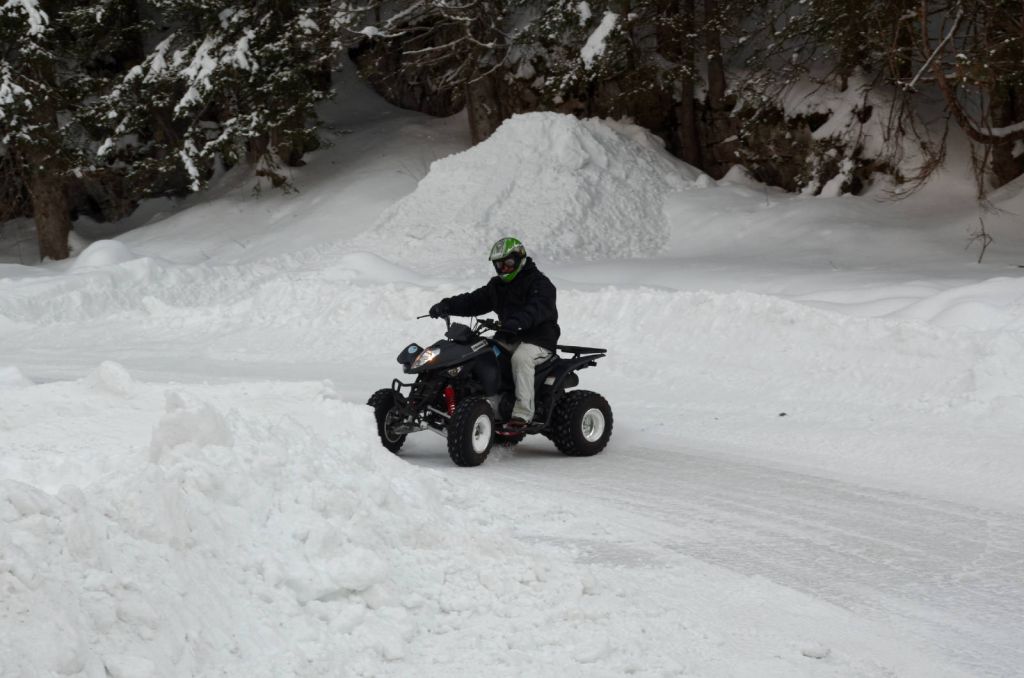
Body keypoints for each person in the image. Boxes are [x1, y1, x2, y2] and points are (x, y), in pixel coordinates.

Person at [430, 237, 559, 429]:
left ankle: (522, 414)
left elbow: (537, 309)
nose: (504, 268)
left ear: (520, 259)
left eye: (508, 262)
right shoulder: (498, 286)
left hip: (538, 339)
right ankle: (480, 402)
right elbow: (473, 301)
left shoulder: (540, 284)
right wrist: (447, 305)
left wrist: (517, 322)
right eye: (499, 264)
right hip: (509, 336)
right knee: (480, 353)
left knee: (521, 359)